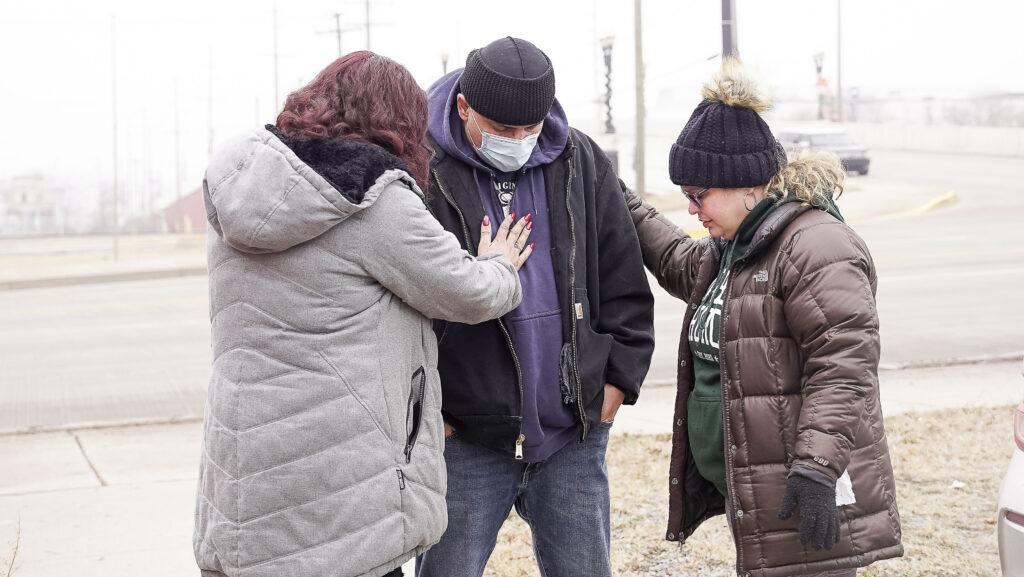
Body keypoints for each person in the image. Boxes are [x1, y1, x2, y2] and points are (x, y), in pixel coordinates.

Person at [192, 51, 535, 577]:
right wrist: (501, 265)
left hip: (243, 470)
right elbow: (465, 292)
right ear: (398, 123)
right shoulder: (370, 198)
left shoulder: (241, 187)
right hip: (336, 488)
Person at [622, 59, 903, 576]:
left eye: (697, 195)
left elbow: (845, 363)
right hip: (756, 490)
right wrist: (623, 202)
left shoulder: (814, 244)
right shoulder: (732, 248)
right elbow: (675, 259)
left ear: (744, 184)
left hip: (803, 490)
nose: (691, 210)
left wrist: (818, 467)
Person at [415, 37, 655, 577]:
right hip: (467, 439)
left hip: (571, 436)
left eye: (531, 128)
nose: (520, 141)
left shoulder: (580, 159)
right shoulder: (423, 171)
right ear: (463, 109)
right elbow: (405, 306)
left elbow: (624, 284)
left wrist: (610, 394)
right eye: (503, 130)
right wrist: (437, 416)